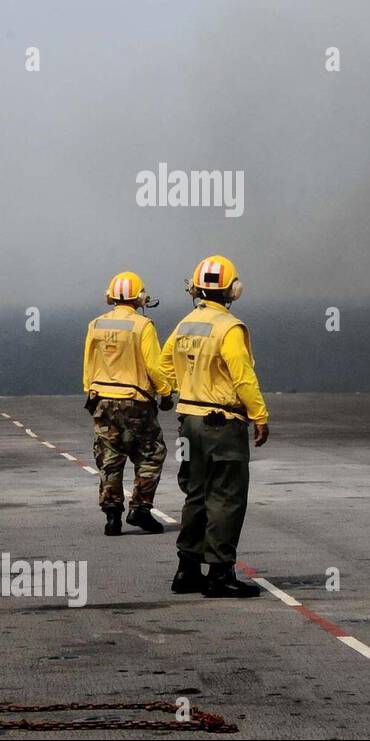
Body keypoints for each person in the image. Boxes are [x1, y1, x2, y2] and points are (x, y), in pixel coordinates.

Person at [160, 255, 270, 598]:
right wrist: (259, 414)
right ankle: (220, 574)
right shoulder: (229, 328)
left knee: (195, 493)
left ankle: (187, 570)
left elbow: (163, 368)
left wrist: (182, 388)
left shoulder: (184, 325)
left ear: (195, 288)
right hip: (221, 424)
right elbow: (243, 376)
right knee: (226, 497)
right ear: (233, 290)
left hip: (187, 423)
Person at [82, 271, 171, 536]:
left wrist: (92, 391)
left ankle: (112, 516)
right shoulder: (143, 326)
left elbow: (88, 365)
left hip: (101, 399)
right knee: (151, 453)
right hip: (134, 401)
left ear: (110, 297)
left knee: (109, 457)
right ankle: (141, 509)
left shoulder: (95, 325)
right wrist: (165, 392)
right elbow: (154, 365)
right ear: (140, 297)